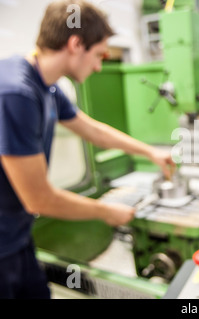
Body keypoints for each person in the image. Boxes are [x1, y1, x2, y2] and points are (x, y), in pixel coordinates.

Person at [0, 0, 176, 298]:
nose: (98, 66)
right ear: (75, 43)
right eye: (97, 55)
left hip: (17, 238)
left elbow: (92, 130)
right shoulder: (15, 92)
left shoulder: (48, 89)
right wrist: (106, 211)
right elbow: (38, 199)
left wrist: (150, 152)